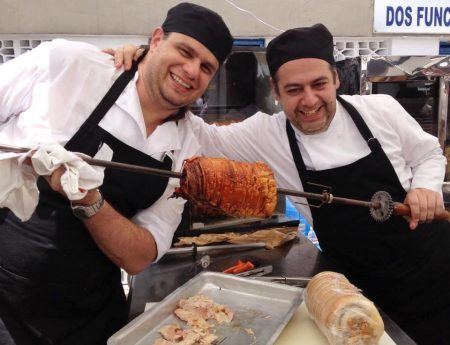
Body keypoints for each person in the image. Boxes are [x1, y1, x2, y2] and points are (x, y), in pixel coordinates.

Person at [115, 24, 450, 344]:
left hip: (434, 276)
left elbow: (429, 154)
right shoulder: (267, 134)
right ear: (276, 92)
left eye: (318, 84)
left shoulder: (381, 110)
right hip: (354, 293)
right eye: (293, 90)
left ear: (335, 79)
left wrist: (426, 187)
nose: (309, 100)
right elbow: (201, 134)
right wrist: (146, 70)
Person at [0, 3, 233, 344]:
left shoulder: (187, 150)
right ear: (156, 40)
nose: (191, 70)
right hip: (6, 304)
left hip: (91, 316)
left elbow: (140, 256)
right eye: (184, 51)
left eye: (207, 67)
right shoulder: (69, 65)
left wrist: (89, 199)